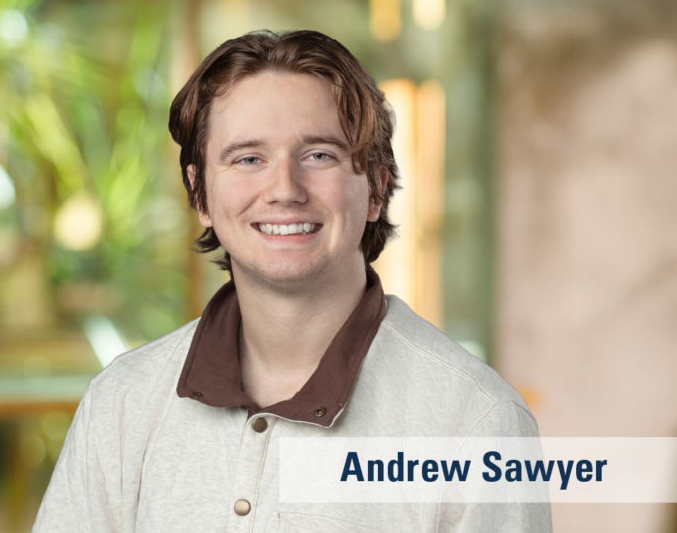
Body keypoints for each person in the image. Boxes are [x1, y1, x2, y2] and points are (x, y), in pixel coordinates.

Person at [33, 30, 552, 532]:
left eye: (318, 155)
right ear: (199, 194)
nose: (284, 189)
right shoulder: (121, 405)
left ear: (375, 186)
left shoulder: (476, 423)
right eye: (249, 159)